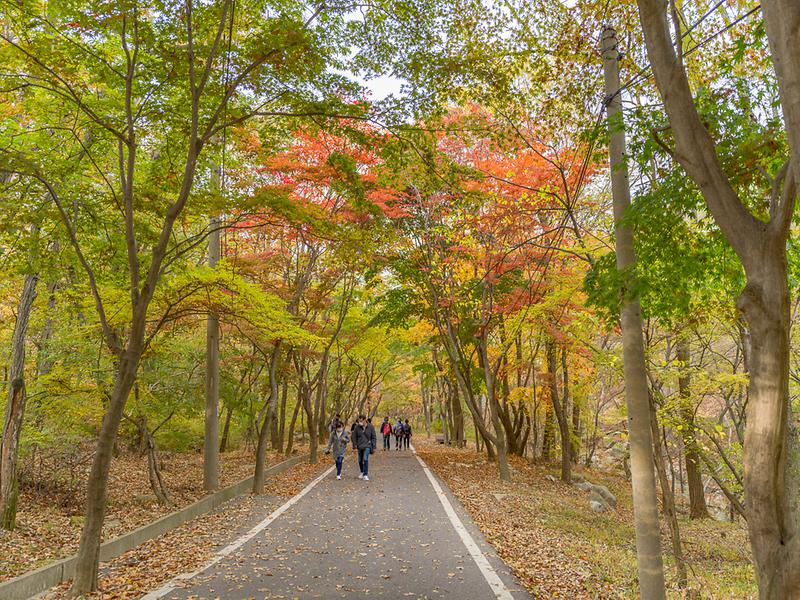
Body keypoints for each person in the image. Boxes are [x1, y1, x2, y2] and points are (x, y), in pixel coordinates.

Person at [352, 414, 376, 481]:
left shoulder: (370, 426)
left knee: (365, 459)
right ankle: (362, 472)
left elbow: (374, 437)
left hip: (367, 446)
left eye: (361, 420)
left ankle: (365, 474)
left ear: (365, 420)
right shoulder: (357, 427)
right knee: (360, 460)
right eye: (359, 420)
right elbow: (354, 437)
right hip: (360, 446)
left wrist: (374, 446)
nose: (360, 422)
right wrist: (354, 446)